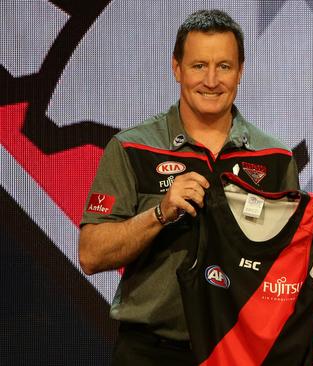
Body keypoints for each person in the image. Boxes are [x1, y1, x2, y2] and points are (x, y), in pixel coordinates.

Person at [78, 9, 299, 366]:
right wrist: (160, 213)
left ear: (240, 71)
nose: (211, 80)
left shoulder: (275, 158)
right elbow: (91, 254)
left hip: (243, 353)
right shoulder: (132, 148)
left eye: (224, 67)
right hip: (151, 351)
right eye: (198, 66)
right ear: (176, 68)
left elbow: (287, 270)